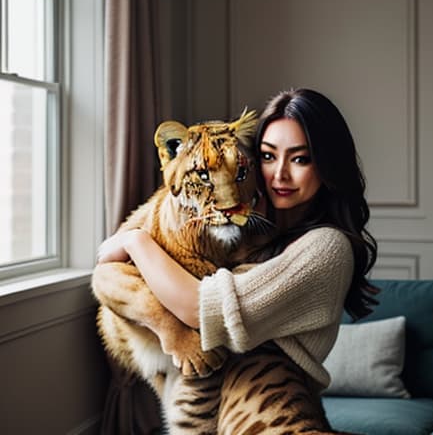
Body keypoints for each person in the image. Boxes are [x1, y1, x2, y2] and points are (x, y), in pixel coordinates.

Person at [97, 87, 378, 390]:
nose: (279, 174)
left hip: (267, 409)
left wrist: (135, 242)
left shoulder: (327, 248)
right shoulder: (251, 224)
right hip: (208, 406)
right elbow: (104, 275)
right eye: (268, 156)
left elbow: (199, 309)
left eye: (300, 159)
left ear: (328, 165)